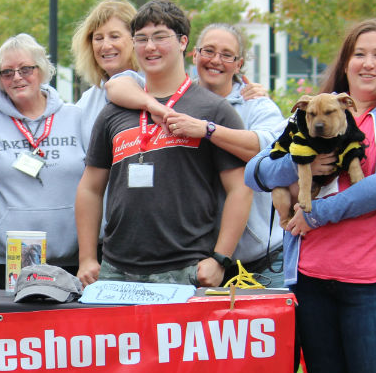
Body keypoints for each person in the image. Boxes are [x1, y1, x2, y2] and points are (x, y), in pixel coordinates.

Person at [244, 19, 376, 373]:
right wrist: (303, 165)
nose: (368, 63)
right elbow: (255, 172)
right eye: (359, 54)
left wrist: (316, 215)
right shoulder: (313, 110)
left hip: (373, 282)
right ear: (345, 64)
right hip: (311, 280)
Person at [75, 0, 252, 287]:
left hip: (186, 269)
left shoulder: (213, 110)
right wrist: (86, 258)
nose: (150, 47)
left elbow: (240, 188)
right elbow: (90, 187)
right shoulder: (113, 111)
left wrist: (221, 258)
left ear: (183, 43)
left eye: (160, 37)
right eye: (141, 39)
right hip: (115, 270)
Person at [107, 23, 287, 283]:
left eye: (227, 55)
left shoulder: (255, 104)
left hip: (258, 258)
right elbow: (117, 84)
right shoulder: (174, 100)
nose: (216, 60)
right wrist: (150, 103)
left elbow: (272, 152)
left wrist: (207, 129)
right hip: (198, 264)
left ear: (239, 64)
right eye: (208, 51)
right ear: (194, 54)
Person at [0, 34, 87, 288]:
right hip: (8, 255)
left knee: (66, 327)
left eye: (26, 69)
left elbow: (96, 179)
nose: (17, 77)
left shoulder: (76, 117)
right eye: (7, 72)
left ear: (43, 70)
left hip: (72, 251)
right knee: (17, 327)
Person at [70, 0, 139, 139]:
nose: (106, 46)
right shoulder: (85, 103)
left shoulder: (156, 90)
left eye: (114, 36)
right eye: (98, 38)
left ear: (135, 39)